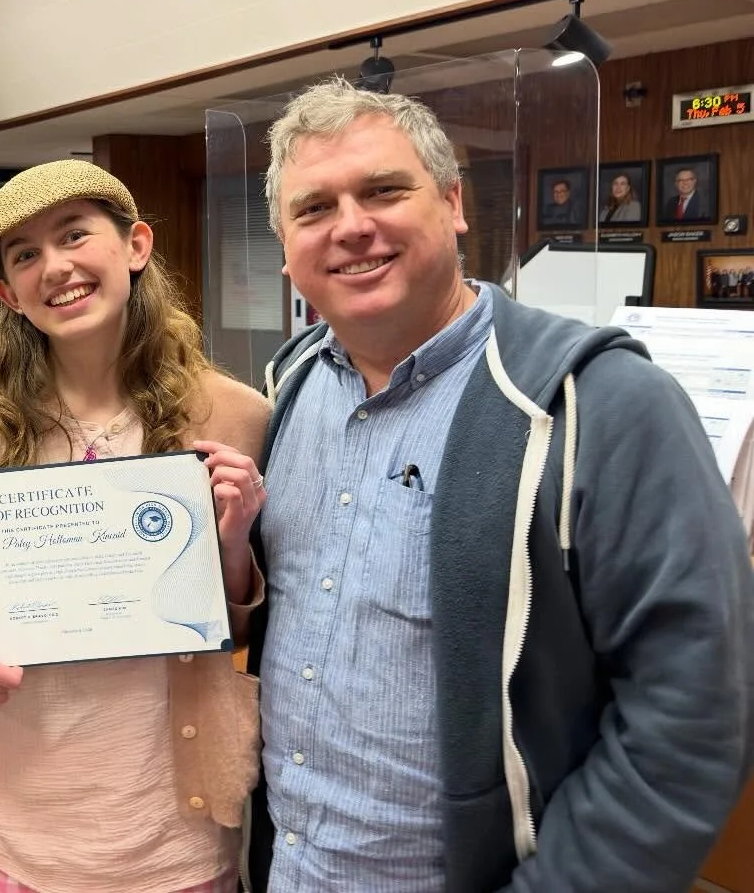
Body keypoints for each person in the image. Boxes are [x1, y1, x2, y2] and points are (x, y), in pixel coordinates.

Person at [247, 76, 754, 893]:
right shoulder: (288, 387)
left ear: (452, 203)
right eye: (314, 208)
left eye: (383, 190)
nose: (351, 227)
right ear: (285, 245)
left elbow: (695, 717)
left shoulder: (604, 403)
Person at [0, 160, 270, 892]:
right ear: (7, 293)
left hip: (173, 833)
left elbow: (258, 630)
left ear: (135, 246)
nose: (57, 267)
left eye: (75, 235)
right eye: (26, 256)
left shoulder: (235, 417)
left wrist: (233, 547)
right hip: (13, 829)